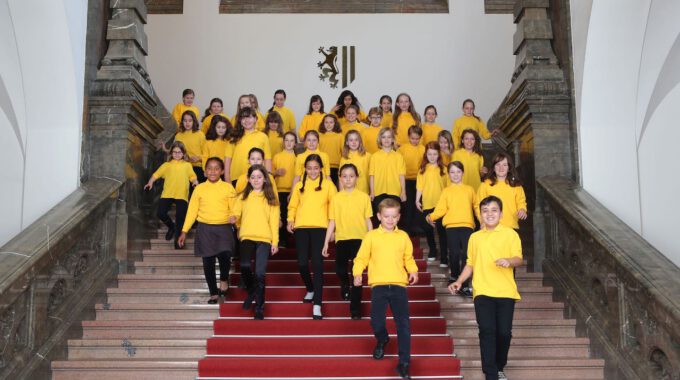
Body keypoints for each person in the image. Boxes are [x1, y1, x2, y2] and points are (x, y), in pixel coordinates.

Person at [448, 195, 522, 380]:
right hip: (482, 292)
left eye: (493, 210)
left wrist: (508, 261)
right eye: (485, 210)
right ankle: (491, 373)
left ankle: (498, 365)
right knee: (487, 331)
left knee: (504, 333)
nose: (489, 214)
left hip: (506, 291)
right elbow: (470, 264)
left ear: (501, 213)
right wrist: (459, 281)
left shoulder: (510, 234)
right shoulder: (475, 237)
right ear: (480, 214)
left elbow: (519, 259)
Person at [353, 198, 418, 380]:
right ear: (379, 216)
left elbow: (408, 257)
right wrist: (358, 273)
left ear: (398, 217)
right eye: (386, 216)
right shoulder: (371, 236)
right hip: (379, 286)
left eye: (394, 216)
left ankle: (404, 363)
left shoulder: (403, 236)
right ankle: (382, 339)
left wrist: (413, 271)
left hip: (398, 285)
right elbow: (361, 258)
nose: (390, 220)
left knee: (403, 325)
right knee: (376, 322)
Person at [178, 157, 236, 304]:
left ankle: (224, 279)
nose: (213, 171)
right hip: (205, 228)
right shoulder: (199, 189)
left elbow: (234, 208)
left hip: (223, 227)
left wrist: (235, 218)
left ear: (222, 171)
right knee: (208, 262)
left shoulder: (228, 188)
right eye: (209, 168)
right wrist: (184, 231)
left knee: (225, 255)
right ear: (204, 172)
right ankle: (213, 293)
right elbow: (192, 211)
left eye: (217, 168)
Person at [287, 154, 337, 319]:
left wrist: (333, 229)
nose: (313, 171)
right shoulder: (300, 185)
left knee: (317, 265)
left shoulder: (329, 185)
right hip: (301, 228)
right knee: (302, 264)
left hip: (321, 228)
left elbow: (335, 208)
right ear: (305, 169)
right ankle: (310, 288)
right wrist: (290, 220)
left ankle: (317, 305)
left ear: (321, 168)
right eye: (309, 168)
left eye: (316, 168)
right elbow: (293, 205)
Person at [322, 163, 373, 319]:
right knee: (340, 270)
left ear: (357, 178)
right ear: (340, 178)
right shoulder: (336, 198)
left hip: (360, 240)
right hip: (342, 239)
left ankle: (355, 310)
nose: (348, 179)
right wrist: (326, 243)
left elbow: (368, 221)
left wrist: (373, 241)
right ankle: (344, 283)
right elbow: (332, 221)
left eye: (352, 176)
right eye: (345, 176)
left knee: (357, 275)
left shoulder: (364, 197)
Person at [230, 164, 280, 320]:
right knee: (244, 265)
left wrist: (275, 242)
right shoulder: (243, 197)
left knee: (259, 273)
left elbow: (273, 222)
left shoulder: (271, 198)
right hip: (247, 236)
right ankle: (252, 290)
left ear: (265, 179)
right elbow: (236, 213)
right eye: (253, 177)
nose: (256, 180)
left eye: (259, 177)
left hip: (264, 239)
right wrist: (234, 218)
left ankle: (259, 307)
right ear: (248, 179)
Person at [428, 161, 477, 295]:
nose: (455, 175)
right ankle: (454, 276)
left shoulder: (470, 189)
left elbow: (477, 206)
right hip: (451, 227)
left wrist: (482, 220)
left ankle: (465, 283)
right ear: (448, 174)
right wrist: (431, 217)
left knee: (467, 255)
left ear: (463, 173)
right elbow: (441, 208)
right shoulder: (446, 191)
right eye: (452, 172)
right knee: (454, 253)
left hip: (467, 226)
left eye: (458, 172)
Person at [144, 141, 198, 248]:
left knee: (180, 219)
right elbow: (156, 175)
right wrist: (150, 182)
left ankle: (178, 243)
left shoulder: (187, 165)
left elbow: (192, 176)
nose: (177, 154)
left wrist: (195, 182)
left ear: (183, 153)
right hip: (167, 194)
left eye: (179, 152)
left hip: (181, 195)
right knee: (160, 213)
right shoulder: (166, 165)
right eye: (174, 152)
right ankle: (171, 227)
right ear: (171, 153)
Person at [415, 142, 448, 266]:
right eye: (430, 154)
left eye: (435, 154)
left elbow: (448, 187)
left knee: (442, 232)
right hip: (427, 204)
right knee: (428, 230)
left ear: (439, 154)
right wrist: (417, 200)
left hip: (441, 205)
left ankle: (444, 257)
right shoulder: (422, 170)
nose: (432, 156)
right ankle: (433, 251)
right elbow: (420, 187)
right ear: (426, 155)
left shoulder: (444, 169)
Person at [477, 153, 527, 230]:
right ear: (493, 167)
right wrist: (482, 221)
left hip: (510, 225)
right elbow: (478, 205)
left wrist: (522, 209)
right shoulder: (485, 185)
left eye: (504, 165)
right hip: (490, 226)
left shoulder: (516, 185)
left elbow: (521, 201)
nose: (501, 168)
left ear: (509, 167)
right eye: (498, 165)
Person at [224, 107, 272, 183]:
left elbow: (267, 159)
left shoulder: (263, 137)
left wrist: (269, 179)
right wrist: (227, 178)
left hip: (257, 178)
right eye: (243, 118)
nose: (246, 120)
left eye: (249, 117)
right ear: (240, 121)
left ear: (256, 119)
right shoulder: (233, 137)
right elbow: (228, 159)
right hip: (236, 178)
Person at [369, 127, 406, 217]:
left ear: (393, 139)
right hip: (378, 191)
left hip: (395, 191)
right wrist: (372, 192)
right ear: (380, 139)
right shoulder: (374, 156)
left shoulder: (398, 156)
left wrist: (403, 192)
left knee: (393, 217)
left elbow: (401, 175)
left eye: (389, 137)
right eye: (384, 137)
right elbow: (371, 176)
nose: (386, 139)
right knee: (379, 217)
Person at [397, 125, 425, 234]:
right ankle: (406, 228)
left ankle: (417, 227)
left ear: (420, 137)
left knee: (418, 203)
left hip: (419, 181)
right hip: (406, 180)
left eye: (417, 138)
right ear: (409, 137)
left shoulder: (423, 149)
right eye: (413, 138)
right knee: (408, 205)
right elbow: (398, 166)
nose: (415, 140)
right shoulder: (402, 149)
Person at [272, 132, 297, 247]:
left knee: (291, 215)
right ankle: (281, 240)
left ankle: (291, 240)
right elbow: (270, 174)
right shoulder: (277, 156)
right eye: (286, 140)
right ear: (283, 142)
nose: (289, 143)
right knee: (281, 214)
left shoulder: (297, 158)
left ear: (295, 143)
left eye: (292, 141)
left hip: (293, 191)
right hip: (279, 190)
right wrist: (276, 172)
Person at [172, 110, 206, 183]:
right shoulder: (178, 136)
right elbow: (174, 152)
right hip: (182, 167)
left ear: (194, 121)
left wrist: (199, 158)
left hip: (197, 167)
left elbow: (207, 153)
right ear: (182, 122)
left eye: (190, 121)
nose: (187, 123)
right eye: (185, 120)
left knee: (195, 191)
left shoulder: (200, 134)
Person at [318, 114, 344, 186]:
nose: (328, 125)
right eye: (326, 122)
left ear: (335, 124)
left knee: (334, 187)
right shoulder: (319, 136)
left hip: (335, 167)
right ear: (323, 123)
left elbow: (344, 152)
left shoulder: (340, 136)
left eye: (331, 122)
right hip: (322, 166)